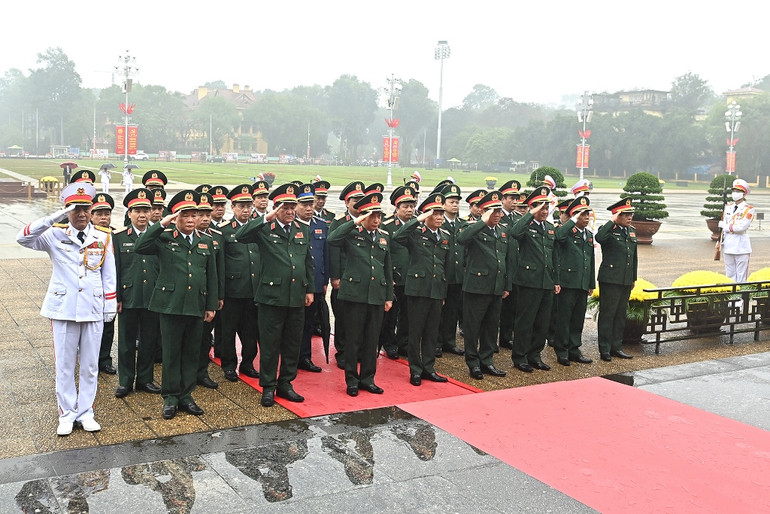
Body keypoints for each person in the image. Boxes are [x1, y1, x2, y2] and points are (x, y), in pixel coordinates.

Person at [16, 182, 117, 436]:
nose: (81, 214)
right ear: (66, 211)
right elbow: (23, 237)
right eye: (75, 209)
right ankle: (66, 414)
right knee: (64, 364)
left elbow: (109, 274)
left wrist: (109, 305)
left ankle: (86, 412)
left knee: (90, 365)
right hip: (63, 308)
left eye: (85, 209)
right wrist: (53, 217)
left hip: (93, 308)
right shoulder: (54, 234)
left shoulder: (103, 237)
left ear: (92, 210)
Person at [135, 190, 218, 420]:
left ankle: (186, 396)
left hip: (196, 304)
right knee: (172, 353)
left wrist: (211, 305)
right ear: (176, 218)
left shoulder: (205, 242)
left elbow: (211, 276)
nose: (191, 220)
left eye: (194, 215)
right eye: (185, 216)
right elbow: (140, 246)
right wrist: (161, 224)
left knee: (192, 352)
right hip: (170, 305)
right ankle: (170, 397)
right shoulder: (164, 238)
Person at [235, 183, 315, 407]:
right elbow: (240, 235)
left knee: (292, 343)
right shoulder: (264, 229)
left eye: (292, 207)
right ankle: (268, 386)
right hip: (272, 296)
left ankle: (286, 383)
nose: (289, 212)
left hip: (296, 296)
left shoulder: (302, 229)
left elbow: (308, 261)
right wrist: (266, 217)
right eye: (284, 208)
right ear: (276, 208)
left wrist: (309, 289)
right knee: (270, 344)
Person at [328, 191, 393, 396]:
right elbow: (332, 239)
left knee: (371, 339)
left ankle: (368, 378)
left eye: (379, 216)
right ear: (363, 217)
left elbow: (387, 268)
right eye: (371, 216)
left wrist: (388, 296)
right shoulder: (351, 234)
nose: (376, 220)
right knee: (353, 339)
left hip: (376, 294)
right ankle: (352, 380)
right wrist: (355, 222)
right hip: (354, 294)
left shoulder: (384, 237)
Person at [393, 193, 450, 386]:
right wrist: (417, 219)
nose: (440, 217)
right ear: (427, 216)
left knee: (431, 332)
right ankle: (415, 370)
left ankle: (429, 368)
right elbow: (398, 236)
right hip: (418, 290)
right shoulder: (415, 234)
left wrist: (443, 293)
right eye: (436, 214)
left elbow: (445, 267)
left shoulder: (445, 237)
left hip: (435, 290)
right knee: (415, 332)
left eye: (441, 213)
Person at [112, 188, 162, 398]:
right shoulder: (119, 237)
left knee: (149, 340)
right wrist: (117, 298)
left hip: (152, 297)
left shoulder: (159, 235)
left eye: (146, 210)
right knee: (126, 343)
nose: (142, 215)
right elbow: (114, 270)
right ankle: (125, 381)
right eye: (137, 210)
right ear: (129, 213)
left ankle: (145, 379)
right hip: (129, 297)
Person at [456, 191, 511, 380]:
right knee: (473, 327)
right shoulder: (472, 227)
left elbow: (506, 259)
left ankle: (487, 361)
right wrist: (482, 222)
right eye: (492, 211)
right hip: (477, 286)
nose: (497, 215)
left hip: (496, 286)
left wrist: (506, 284)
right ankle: (473, 363)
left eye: (499, 212)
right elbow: (461, 239)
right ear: (483, 211)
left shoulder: (503, 230)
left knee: (491, 326)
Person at [510, 187, 560, 373]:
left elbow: (554, 256)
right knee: (525, 321)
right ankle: (520, 356)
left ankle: (535, 355)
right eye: (541, 208)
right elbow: (515, 233)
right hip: (528, 281)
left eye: (547, 208)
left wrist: (556, 280)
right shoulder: (525, 225)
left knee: (542, 322)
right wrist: (530, 214)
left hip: (546, 281)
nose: (545, 212)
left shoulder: (549, 228)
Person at [218, 185, 261, 381]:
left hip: (253, 290)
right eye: (241, 206)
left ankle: (247, 364)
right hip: (232, 290)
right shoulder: (224, 231)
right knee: (228, 331)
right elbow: (220, 263)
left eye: (248, 206)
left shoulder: (257, 227)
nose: (246, 210)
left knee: (251, 331)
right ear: (232, 207)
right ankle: (228, 365)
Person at [553, 196, 595, 366]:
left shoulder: (589, 234)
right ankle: (562, 350)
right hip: (568, 282)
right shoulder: (566, 231)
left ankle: (574, 349)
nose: (586, 218)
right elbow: (558, 236)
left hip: (582, 283)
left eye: (587, 215)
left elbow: (590, 260)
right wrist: (572, 221)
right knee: (564, 319)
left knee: (577, 319)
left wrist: (591, 283)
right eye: (582, 215)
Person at [328, 181, 366, 369]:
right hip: (344, 278)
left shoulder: (369, 220)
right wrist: (335, 277)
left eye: (361, 200)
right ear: (346, 203)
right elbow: (333, 250)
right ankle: (342, 351)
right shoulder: (339, 222)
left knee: (358, 318)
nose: (358, 204)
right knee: (342, 317)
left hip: (362, 279)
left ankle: (357, 350)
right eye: (355, 200)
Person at [595, 198, 637, 362]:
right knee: (608, 314)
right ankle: (604, 348)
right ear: (616, 215)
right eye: (625, 214)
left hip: (625, 279)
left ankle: (616, 346)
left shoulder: (631, 231)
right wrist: (611, 221)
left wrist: (633, 277)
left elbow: (634, 257)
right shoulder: (608, 230)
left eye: (630, 214)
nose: (629, 217)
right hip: (610, 279)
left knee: (620, 315)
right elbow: (599, 238)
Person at [380, 186, 416, 359]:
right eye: (405, 206)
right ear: (397, 207)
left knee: (408, 314)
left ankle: (404, 343)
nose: (409, 210)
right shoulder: (386, 226)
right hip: (395, 277)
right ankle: (389, 343)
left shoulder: (418, 224)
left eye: (412, 206)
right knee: (391, 314)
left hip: (412, 277)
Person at [296, 183, 328, 373]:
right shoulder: (292, 226)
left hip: (315, 282)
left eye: (311, 203)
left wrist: (324, 281)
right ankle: (290, 356)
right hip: (296, 283)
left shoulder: (321, 225)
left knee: (308, 323)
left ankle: (305, 357)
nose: (309, 208)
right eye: (304, 204)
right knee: (293, 323)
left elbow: (325, 255)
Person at [195, 192, 225, 389]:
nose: (205, 218)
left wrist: (218, 297)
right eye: (200, 214)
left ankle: (201, 372)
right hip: (186, 296)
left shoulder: (216, 237)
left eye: (208, 214)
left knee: (205, 337)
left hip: (206, 297)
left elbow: (218, 271)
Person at [435, 183, 466, 357]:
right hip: (442, 274)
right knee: (440, 310)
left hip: (457, 274)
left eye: (457, 202)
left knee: (453, 310)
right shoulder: (439, 222)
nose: (455, 204)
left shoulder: (462, 223)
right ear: (444, 204)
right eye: (451, 201)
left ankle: (449, 341)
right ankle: (437, 342)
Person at [90, 193, 118, 375]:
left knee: (108, 326)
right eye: (99, 214)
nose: (103, 218)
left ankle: (104, 359)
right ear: (91, 216)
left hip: (110, 288)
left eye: (106, 214)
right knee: (89, 327)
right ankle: (89, 358)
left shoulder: (116, 235)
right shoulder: (86, 235)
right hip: (91, 288)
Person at [497, 180, 522, 351]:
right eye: (511, 198)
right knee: (499, 307)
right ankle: (494, 339)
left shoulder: (519, 219)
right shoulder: (497, 216)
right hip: (502, 266)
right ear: (503, 198)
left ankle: (507, 336)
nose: (514, 202)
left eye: (516, 198)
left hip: (516, 268)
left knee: (512, 307)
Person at [720, 179, 755, 283]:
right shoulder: (728, 207)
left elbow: (740, 227)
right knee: (729, 274)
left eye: (738, 191)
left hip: (741, 247)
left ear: (744, 194)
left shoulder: (748, 209)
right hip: (728, 245)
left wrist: (724, 226)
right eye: (734, 191)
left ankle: (740, 299)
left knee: (741, 275)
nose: (735, 193)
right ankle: (731, 298)